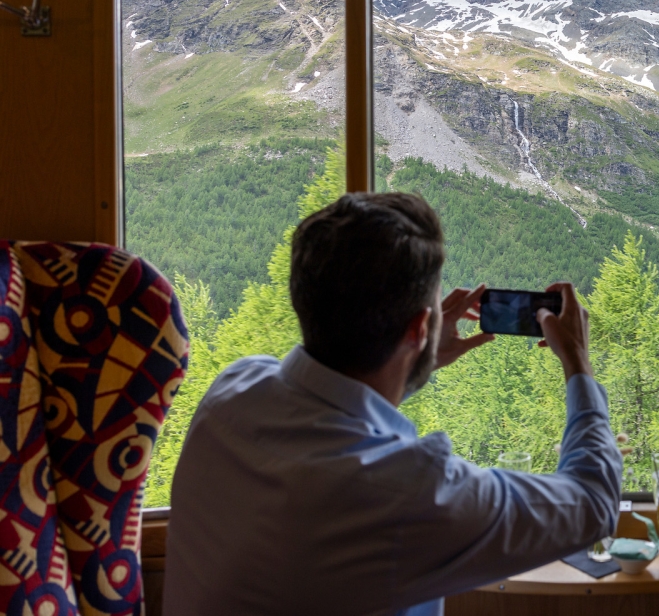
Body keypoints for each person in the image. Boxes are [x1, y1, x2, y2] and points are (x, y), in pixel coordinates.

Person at [162, 192, 623, 616]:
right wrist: (577, 362)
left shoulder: (233, 390)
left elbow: (335, 408)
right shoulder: (402, 495)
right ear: (420, 328)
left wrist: (413, 359)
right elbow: (594, 504)